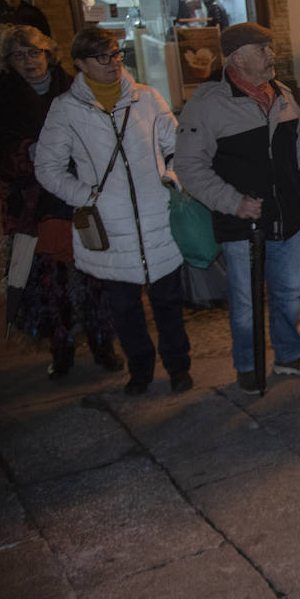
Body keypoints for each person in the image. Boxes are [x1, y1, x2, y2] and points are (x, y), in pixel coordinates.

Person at [33, 26, 191, 395]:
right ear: (80, 64)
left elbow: (178, 144)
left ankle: (178, 367)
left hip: (157, 220)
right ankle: (140, 370)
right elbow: (47, 167)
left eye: (117, 54)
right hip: (109, 227)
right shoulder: (66, 109)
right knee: (124, 308)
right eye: (103, 57)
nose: (113, 63)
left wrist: (171, 176)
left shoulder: (147, 98)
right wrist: (84, 195)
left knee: (169, 302)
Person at [176, 22, 300, 394]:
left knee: (287, 294)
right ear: (238, 56)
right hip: (242, 224)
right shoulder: (208, 105)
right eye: (263, 48)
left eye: (270, 47)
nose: (271, 54)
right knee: (244, 303)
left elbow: (299, 155)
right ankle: (248, 364)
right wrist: (232, 202)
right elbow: (189, 167)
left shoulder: (285, 96)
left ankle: (289, 356)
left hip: (286, 220)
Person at [0, 25, 121, 377]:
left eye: (35, 52)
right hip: (36, 206)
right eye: (19, 54)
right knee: (49, 281)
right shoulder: (1, 97)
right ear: (8, 62)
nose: (29, 60)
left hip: (81, 197)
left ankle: (103, 342)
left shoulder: (74, 87)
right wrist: (28, 152)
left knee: (93, 274)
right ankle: (62, 348)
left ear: (49, 53)